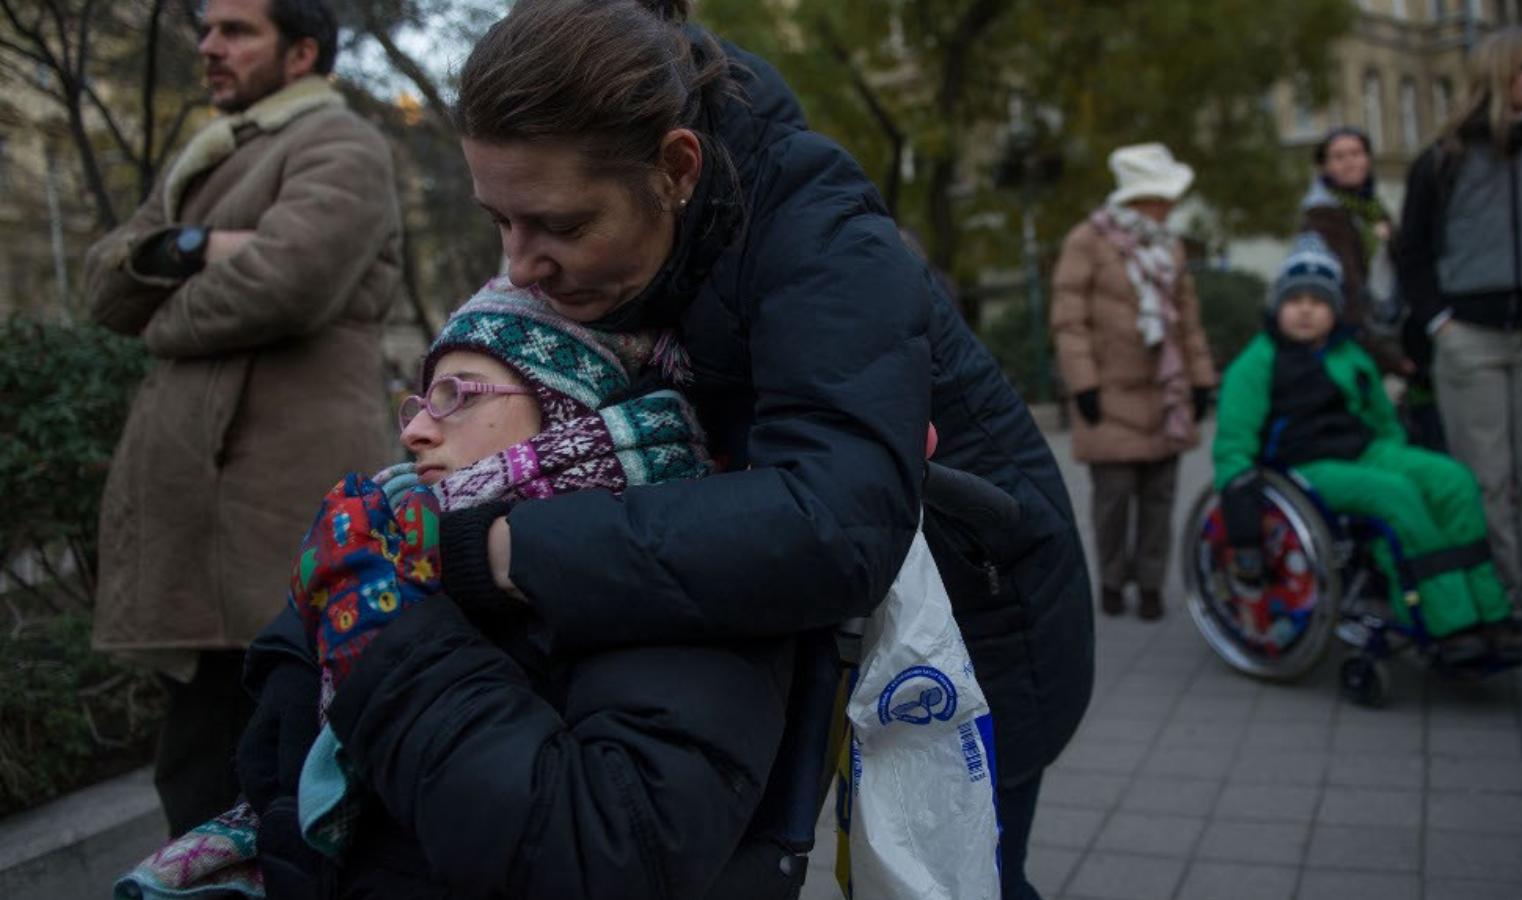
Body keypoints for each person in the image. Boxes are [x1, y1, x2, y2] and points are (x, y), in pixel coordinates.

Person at [240, 2, 1093, 897]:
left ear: (676, 167)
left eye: (562, 228)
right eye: (501, 221)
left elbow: (833, 525)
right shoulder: (620, 230)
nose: (520, 265)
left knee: (965, 871)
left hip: (982, 615)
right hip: (815, 612)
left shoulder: (821, 233)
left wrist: (490, 550)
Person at [121, 278, 793, 899]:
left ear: (570, 406)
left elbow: (601, 851)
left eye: (457, 395)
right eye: (418, 400)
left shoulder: (684, 569)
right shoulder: (390, 543)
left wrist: (383, 635)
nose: (413, 428)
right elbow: (277, 790)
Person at [82, 0, 401, 836]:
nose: (209, 47)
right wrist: (194, 247)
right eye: (206, 29)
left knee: (279, 782)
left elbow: (285, 281)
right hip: (203, 534)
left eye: (236, 31)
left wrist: (162, 307)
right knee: (199, 777)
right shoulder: (211, 156)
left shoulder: (341, 144)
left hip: (275, 535)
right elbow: (103, 281)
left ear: (300, 54)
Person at [1213, 234, 1522, 666]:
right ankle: (1449, 625)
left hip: (1365, 450)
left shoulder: (1351, 354)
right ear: (1279, 306)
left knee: (1452, 481)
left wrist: (1404, 461)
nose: (1307, 309)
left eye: (1318, 300)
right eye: (1296, 300)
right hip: (1304, 467)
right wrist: (1240, 515)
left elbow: (1383, 420)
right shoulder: (1257, 362)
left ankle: (1490, 614)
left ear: (1335, 309)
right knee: (1396, 497)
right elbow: (1234, 443)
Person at [1394, 26, 1522, 639]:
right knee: (1483, 477)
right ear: (1500, 74)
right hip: (1470, 336)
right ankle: (1497, 595)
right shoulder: (1444, 157)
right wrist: (1440, 322)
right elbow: (1414, 252)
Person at [1051, 142, 1217, 622]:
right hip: (1109, 396)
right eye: (1163, 197)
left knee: (1160, 498)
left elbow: (1188, 320)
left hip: (1165, 394)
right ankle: (1109, 579)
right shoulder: (1086, 240)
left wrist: (1202, 378)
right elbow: (1069, 319)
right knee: (1113, 498)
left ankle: (1149, 584)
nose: (1170, 207)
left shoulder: (1171, 245)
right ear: (1139, 199)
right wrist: (1082, 384)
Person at [1298, 127, 1410, 375]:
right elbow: (1347, 286)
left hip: (1386, 322)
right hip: (1353, 334)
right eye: (1339, 157)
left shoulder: (1373, 208)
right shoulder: (1322, 215)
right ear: (1324, 167)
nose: (1350, 162)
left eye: (1356, 153)